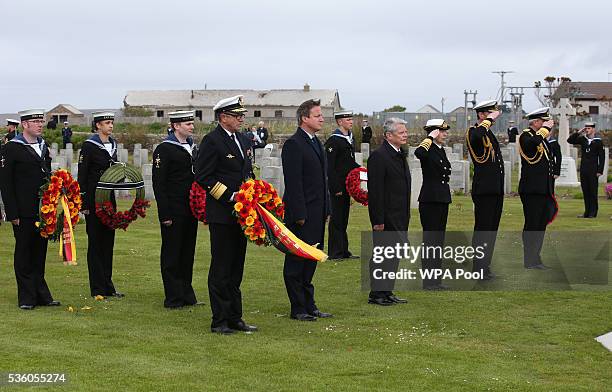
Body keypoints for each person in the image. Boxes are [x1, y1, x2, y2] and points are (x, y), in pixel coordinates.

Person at [194, 95, 256, 334]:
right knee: (221, 267)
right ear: (223, 117)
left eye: (242, 115)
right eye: (237, 115)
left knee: (236, 267)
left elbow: (246, 171)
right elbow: (204, 176)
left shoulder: (242, 139)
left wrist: (252, 193)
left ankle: (235, 317)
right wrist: (230, 196)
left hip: (242, 214)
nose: (241, 119)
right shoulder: (212, 140)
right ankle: (219, 320)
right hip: (222, 212)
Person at [0, 109, 60, 310]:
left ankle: (41, 294)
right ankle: (26, 297)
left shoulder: (43, 146)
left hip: (43, 208)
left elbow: (48, 176)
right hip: (23, 210)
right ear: (24, 124)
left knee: (39, 252)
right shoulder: (12, 148)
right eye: (35, 122)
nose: (40, 124)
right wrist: (12, 213)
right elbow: (6, 183)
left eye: (41, 121)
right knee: (24, 253)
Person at [281, 99, 333, 321]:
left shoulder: (315, 142)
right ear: (304, 118)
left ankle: (309, 304)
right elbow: (294, 183)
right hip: (302, 214)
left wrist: (327, 208)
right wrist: (300, 214)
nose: (322, 118)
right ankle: (298, 308)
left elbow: (322, 179)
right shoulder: (294, 144)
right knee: (297, 262)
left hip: (317, 212)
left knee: (311, 259)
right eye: (317, 115)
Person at [153, 110, 201, 309]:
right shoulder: (164, 149)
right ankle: (173, 297)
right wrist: (165, 213)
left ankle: (186, 294)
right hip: (173, 209)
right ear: (176, 126)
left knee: (187, 252)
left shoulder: (191, 147)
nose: (191, 126)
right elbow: (159, 184)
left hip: (191, 208)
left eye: (191, 123)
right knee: (172, 253)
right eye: (187, 123)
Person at [78, 112, 124, 298]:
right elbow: (83, 174)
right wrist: (83, 203)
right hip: (93, 199)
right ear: (97, 125)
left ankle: (108, 285)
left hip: (108, 200)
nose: (110, 126)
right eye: (107, 123)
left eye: (112, 122)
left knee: (108, 243)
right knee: (96, 244)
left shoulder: (112, 144)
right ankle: (97, 288)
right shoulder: (89, 146)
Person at [367, 117, 410, 306]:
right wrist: (378, 219)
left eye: (405, 132)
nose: (405, 135)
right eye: (401, 133)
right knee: (383, 254)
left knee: (394, 254)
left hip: (400, 213)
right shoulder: (379, 156)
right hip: (386, 215)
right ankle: (377, 293)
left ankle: (387, 290)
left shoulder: (400, 153)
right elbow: (376, 191)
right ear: (388, 135)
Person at [465, 100, 504, 280]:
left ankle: (485, 267)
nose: (494, 116)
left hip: (495, 188)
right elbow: (476, 137)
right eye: (490, 113)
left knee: (492, 230)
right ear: (481, 115)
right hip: (484, 189)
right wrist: (488, 120)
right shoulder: (474, 131)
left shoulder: (488, 133)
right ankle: (478, 268)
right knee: (483, 229)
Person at [414, 119, 452, 290]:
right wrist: (429, 137)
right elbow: (419, 153)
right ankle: (429, 281)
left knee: (438, 240)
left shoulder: (439, 150)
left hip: (442, 198)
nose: (445, 134)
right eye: (441, 131)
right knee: (430, 240)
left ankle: (435, 279)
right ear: (433, 132)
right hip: (430, 200)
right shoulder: (428, 149)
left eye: (445, 131)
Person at [518, 107, 556, 269]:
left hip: (543, 189)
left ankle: (536, 258)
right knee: (532, 224)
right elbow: (530, 146)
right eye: (543, 121)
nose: (547, 124)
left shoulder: (541, 138)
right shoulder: (526, 136)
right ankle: (529, 260)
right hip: (532, 189)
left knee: (541, 224)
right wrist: (545, 130)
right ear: (535, 122)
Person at [325, 110, 360, 260]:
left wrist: (361, 171)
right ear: (340, 122)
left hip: (347, 185)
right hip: (338, 186)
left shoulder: (349, 138)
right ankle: (335, 252)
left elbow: (349, 162)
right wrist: (335, 188)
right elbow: (330, 167)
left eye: (351, 119)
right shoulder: (334, 140)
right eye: (347, 119)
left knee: (344, 218)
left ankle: (344, 250)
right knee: (337, 219)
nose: (351, 121)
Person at [568, 122, 605, 218]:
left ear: (593, 129)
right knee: (586, 191)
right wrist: (579, 132)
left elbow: (602, 157)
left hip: (593, 170)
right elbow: (570, 140)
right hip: (584, 169)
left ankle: (593, 212)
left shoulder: (598, 141)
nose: (587, 130)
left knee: (593, 192)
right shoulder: (583, 140)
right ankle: (587, 212)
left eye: (589, 128)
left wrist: (600, 171)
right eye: (586, 128)